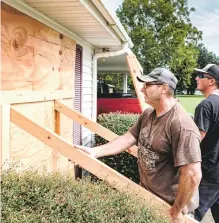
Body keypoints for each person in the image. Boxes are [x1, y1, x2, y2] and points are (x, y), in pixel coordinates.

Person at [76, 68, 202, 223]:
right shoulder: (148, 114)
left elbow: (192, 175)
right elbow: (128, 138)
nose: (142, 89)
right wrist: (95, 152)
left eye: (147, 84)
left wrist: (175, 212)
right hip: (148, 197)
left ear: (163, 88)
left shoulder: (181, 125)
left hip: (170, 207)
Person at [193, 64, 219, 223]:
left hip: (208, 173)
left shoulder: (206, 105)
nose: (196, 78)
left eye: (201, 75)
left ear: (211, 81)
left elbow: (195, 141)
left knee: (190, 214)